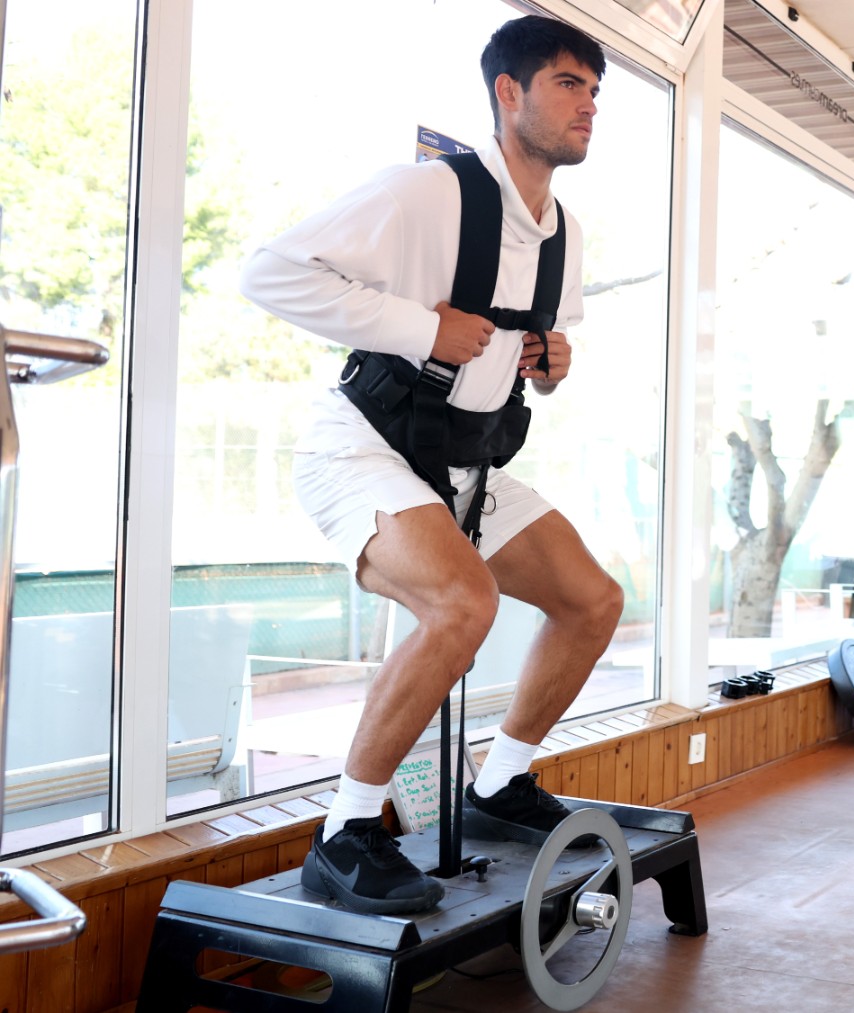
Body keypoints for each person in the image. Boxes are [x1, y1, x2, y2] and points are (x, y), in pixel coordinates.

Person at [239, 15, 622, 915]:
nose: (589, 106)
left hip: (466, 468)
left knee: (592, 601)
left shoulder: (563, 231)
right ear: (508, 93)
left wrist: (552, 362)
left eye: (596, 91)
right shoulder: (426, 195)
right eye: (570, 83)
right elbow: (269, 273)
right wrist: (423, 328)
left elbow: (527, 345)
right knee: (463, 602)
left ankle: (500, 782)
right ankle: (344, 832)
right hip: (360, 451)